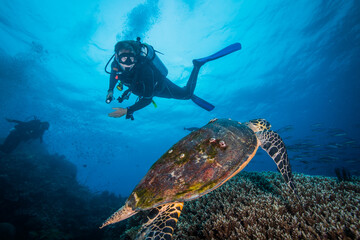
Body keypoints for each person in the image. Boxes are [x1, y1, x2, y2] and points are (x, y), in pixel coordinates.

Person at [106, 39, 241, 120]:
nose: (129, 63)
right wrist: (110, 90)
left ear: (136, 57)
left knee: (186, 95)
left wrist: (127, 110)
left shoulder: (145, 69)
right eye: (124, 58)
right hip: (140, 89)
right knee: (184, 94)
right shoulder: (115, 66)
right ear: (117, 58)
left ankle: (197, 65)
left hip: (160, 87)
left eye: (132, 58)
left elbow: (147, 99)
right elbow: (114, 76)